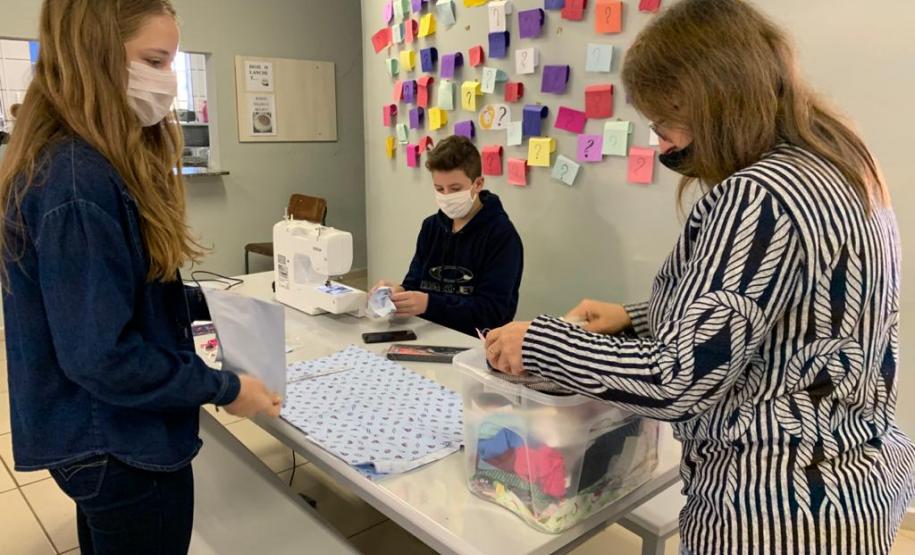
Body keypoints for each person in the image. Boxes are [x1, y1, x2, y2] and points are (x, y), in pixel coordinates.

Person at [483, 1, 914, 553]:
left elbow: (676, 380)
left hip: (777, 507)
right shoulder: (839, 160)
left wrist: (542, 341)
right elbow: (774, 311)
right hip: (855, 477)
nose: (661, 144)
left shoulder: (759, 195)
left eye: (664, 123)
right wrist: (632, 317)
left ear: (712, 99)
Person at [0, 2, 281, 553]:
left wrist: (204, 304)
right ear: (94, 57)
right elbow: (103, 356)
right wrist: (227, 389)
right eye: (153, 61)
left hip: (93, 439)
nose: (166, 83)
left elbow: (118, 293)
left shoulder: (72, 162)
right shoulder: (78, 182)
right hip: (116, 442)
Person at [372, 135, 524, 337]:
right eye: (439, 189)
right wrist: (397, 293)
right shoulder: (431, 228)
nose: (446, 196)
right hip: (426, 334)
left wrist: (429, 303)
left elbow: (492, 314)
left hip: (475, 344)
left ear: (478, 184)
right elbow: (414, 285)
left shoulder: (501, 236)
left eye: (455, 189)